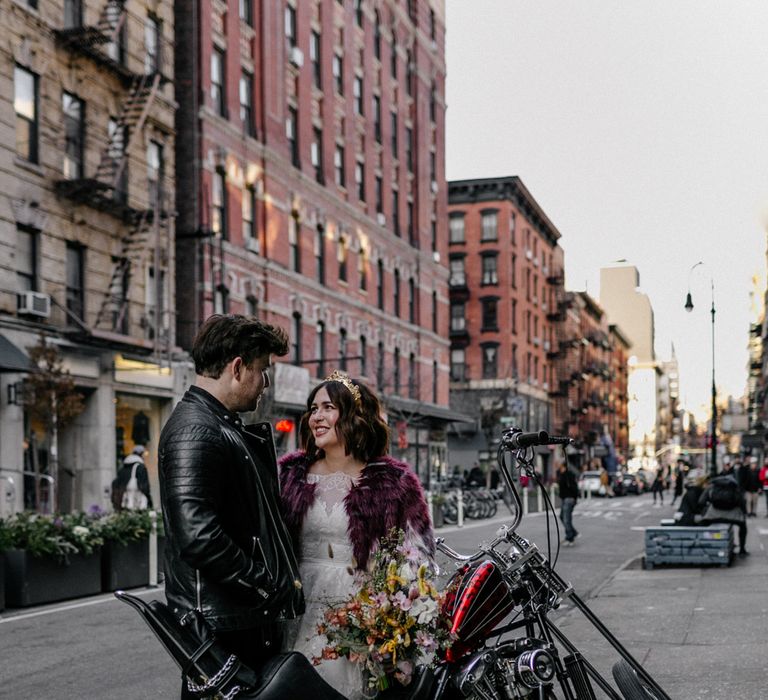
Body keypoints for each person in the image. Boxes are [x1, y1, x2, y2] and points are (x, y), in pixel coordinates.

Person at [158, 315, 305, 699]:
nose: (266, 383)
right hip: (223, 627)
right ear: (238, 368)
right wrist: (262, 584)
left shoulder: (216, 424)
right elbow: (198, 536)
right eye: (263, 370)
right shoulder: (196, 429)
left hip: (235, 620)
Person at [279, 370, 434, 699]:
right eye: (313, 408)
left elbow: (417, 555)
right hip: (297, 604)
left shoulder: (393, 482)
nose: (316, 417)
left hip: (360, 611)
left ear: (352, 416)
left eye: (327, 407)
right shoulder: (289, 475)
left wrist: (398, 616)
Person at [698, 471, 749, 557]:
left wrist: (706, 509)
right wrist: (744, 513)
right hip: (733, 515)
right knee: (743, 526)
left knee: (702, 524)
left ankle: (703, 546)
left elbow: (701, 502)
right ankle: (742, 550)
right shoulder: (734, 487)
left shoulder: (712, 487)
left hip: (713, 514)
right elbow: (742, 502)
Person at [111, 445, 153, 511]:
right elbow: (145, 487)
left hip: (124, 504)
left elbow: (116, 484)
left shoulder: (123, 469)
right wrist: (150, 502)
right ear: (141, 454)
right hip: (138, 505)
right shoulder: (140, 467)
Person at [557, 461, 579, 545]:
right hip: (565, 499)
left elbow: (574, 487)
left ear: (563, 466)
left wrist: (575, 498)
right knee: (562, 517)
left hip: (569, 499)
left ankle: (570, 538)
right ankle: (572, 532)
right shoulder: (562, 474)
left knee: (566, 519)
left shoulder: (568, 475)